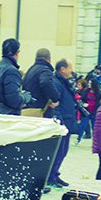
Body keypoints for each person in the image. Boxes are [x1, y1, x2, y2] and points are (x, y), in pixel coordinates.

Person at [47, 59, 77, 188]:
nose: (72, 70)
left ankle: (55, 174)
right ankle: (50, 177)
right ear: (62, 69)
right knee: (59, 151)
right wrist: (60, 122)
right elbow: (56, 105)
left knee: (63, 151)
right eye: (70, 67)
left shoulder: (63, 82)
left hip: (68, 120)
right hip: (63, 122)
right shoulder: (57, 82)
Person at [22, 48, 60, 117]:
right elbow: (46, 82)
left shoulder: (30, 70)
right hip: (39, 110)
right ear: (49, 59)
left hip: (28, 108)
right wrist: (55, 98)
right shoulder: (45, 70)